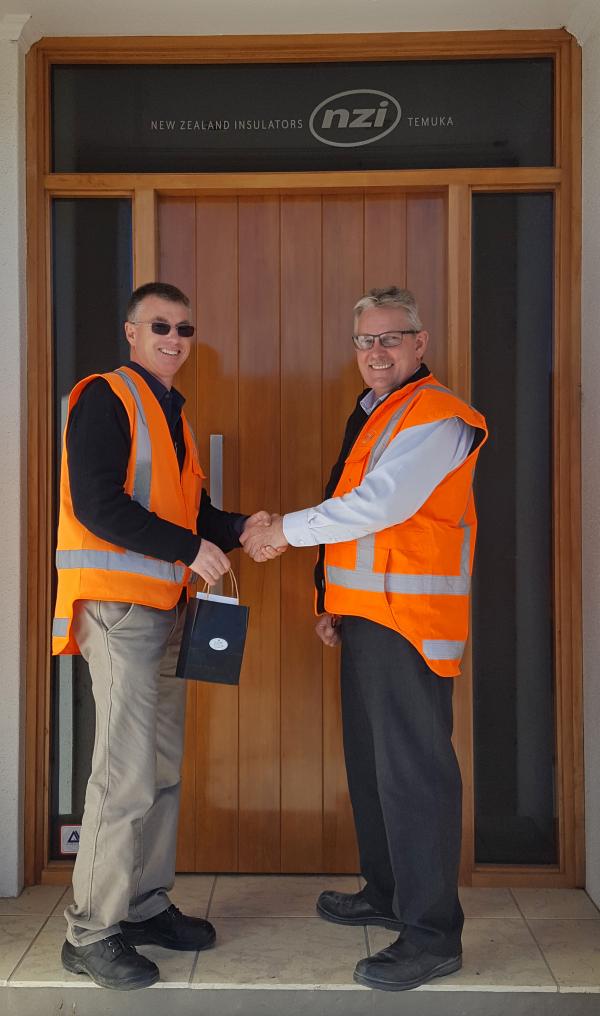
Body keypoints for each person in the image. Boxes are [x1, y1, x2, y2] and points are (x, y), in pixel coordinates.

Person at [241, 286, 487, 992]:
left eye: (390, 338)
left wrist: (281, 531)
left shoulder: (438, 416)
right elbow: (371, 531)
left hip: (409, 627)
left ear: (421, 341)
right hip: (369, 619)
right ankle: (386, 893)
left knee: (414, 776)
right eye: (364, 341)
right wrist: (332, 603)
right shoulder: (379, 412)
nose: (376, 352)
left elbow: (380, 506)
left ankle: (432, 933)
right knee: (374, 769)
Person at [52, 281, 272, 991]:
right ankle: (90, 930)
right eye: (160, 326)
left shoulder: (169, 410)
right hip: (120, 612)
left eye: (184, 328)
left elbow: (193, 511)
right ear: (131, 332)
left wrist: (239, 530)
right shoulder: (106, 398)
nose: (174, 338)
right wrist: (188, 548)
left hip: (166, 609)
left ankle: (141, 904)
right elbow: (97, 506)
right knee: (124, 774)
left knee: (163, 769)